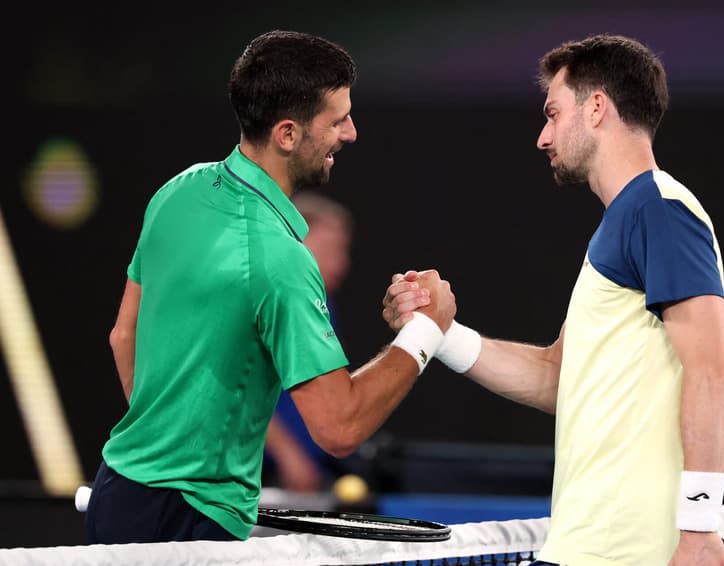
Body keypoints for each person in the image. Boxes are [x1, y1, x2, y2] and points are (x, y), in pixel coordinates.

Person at [85, 30, 456, 544]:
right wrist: (425, 333)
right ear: (287, 134)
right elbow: (339, 427)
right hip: (189, 525)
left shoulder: (177, 191)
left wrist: (165, 448)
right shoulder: (279, 259)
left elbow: (123, 338)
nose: (350, 133)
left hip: (119, 491)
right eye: (337, 120)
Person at [383, 34, 724, 565]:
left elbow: (713, 372)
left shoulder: (658, 208)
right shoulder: (628, 221)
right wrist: (439, 332)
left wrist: (700, 532)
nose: (543, 137)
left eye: (553, 113)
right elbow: (556, 376)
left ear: (597, 108)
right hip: (587, 548)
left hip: (632, 552)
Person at [263, 191, 354, 492]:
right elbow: (233, 392)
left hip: (305, 476)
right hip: (253, 476)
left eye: (343, 251)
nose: (340, 264)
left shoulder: (322, 305)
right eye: (329, 248)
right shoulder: (273, 299)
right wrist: (288, 455)